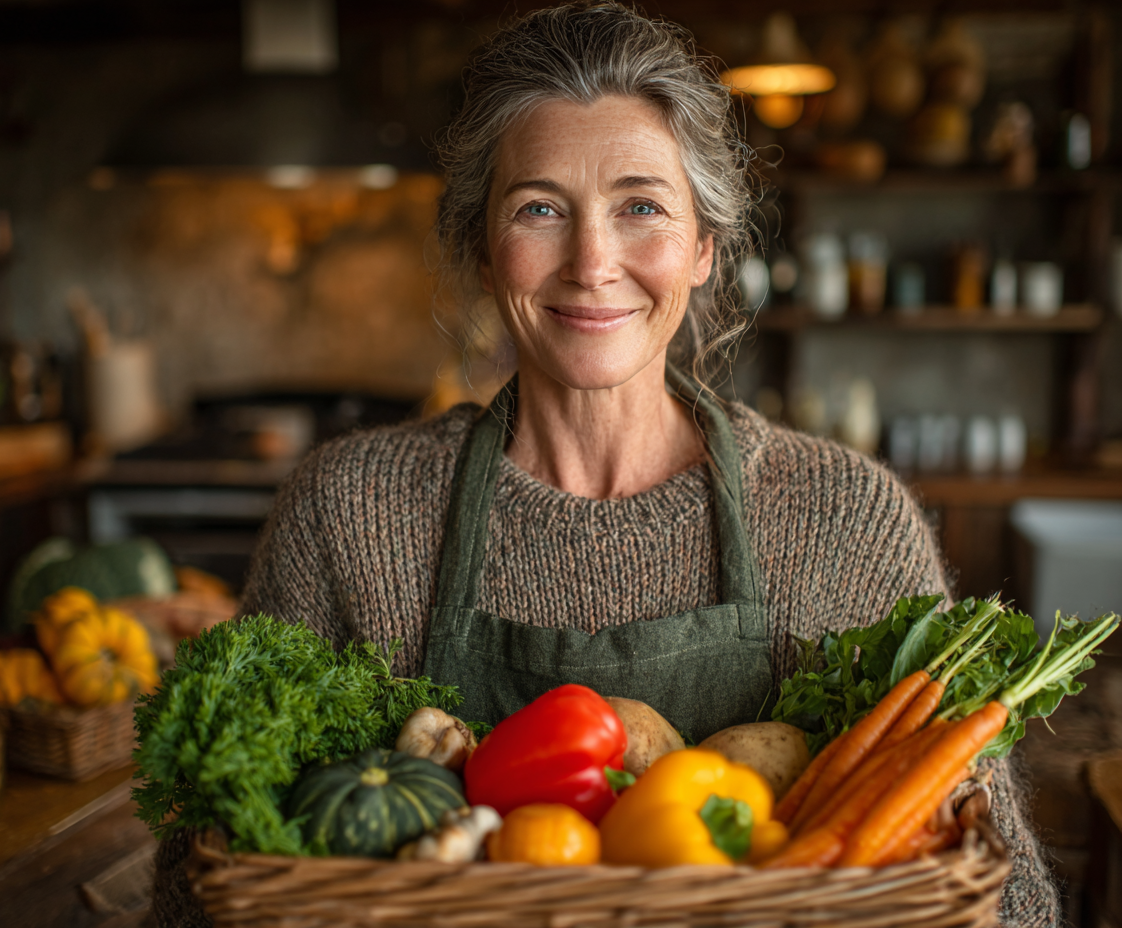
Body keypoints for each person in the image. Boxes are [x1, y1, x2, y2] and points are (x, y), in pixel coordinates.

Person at [153, 4, 1058, 925]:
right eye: (540, 208)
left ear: (704, 247)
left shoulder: (845, 517)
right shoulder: (348, 511)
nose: (592, 262)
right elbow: (203, 885)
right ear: (480, 245)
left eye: (641, 207)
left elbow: (1010, 897)